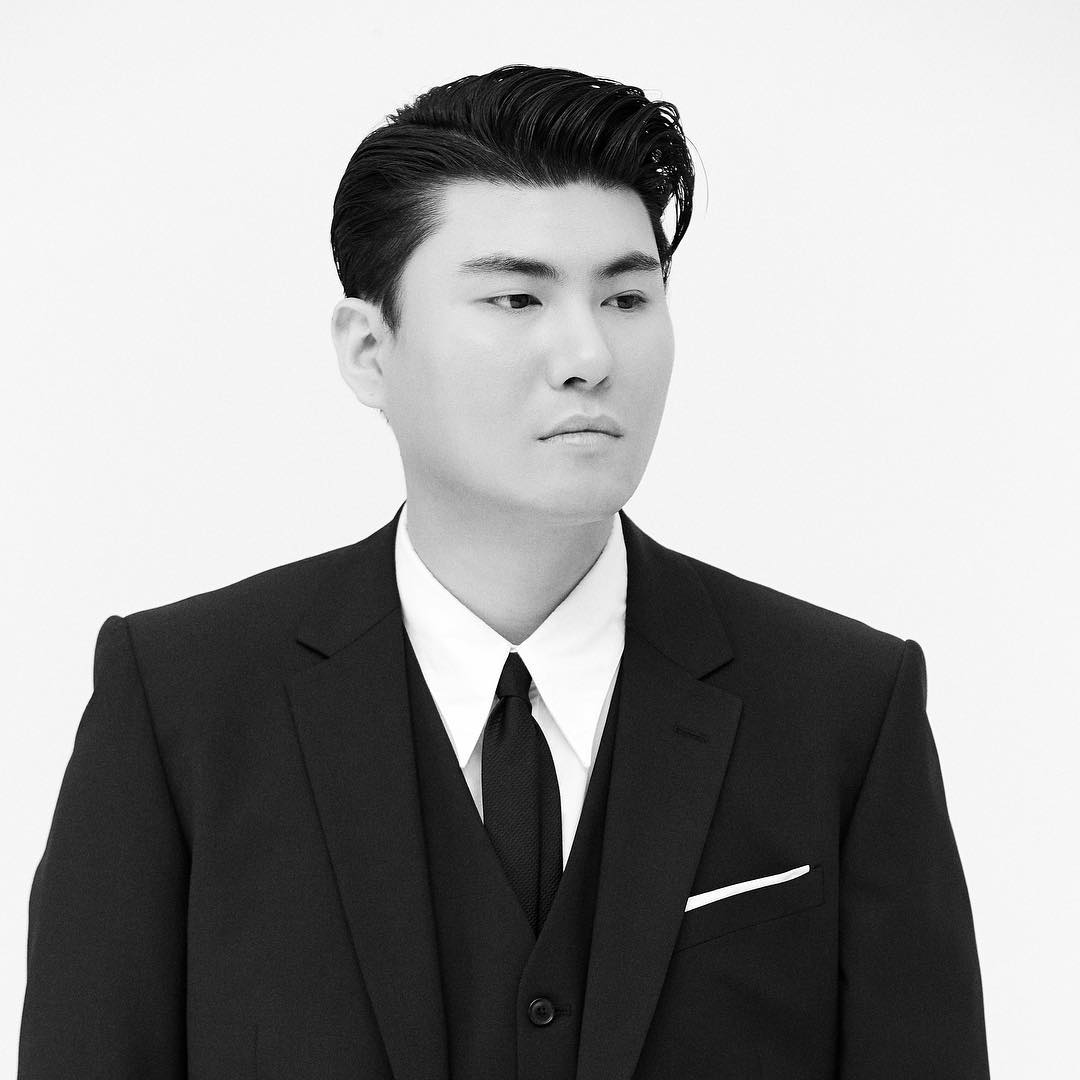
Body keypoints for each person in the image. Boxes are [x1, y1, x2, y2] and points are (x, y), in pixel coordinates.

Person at [18, 64, 990, 1078]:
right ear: (368, 349)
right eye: (517, 296)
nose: (588, 355)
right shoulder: (181, 703)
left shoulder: (842, 707)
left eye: (626, 296)